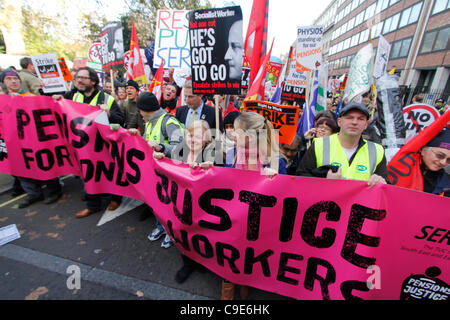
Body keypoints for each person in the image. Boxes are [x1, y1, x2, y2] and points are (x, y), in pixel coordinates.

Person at [221, 111, 287, 300]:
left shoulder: (276, 160)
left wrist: (274, 182)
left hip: (259, 223)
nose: (232, 134)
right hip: (234, 216)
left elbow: (284, 200)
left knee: (248, 258)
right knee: (230, 257)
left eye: (237, 131)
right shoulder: (232, 154)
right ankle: (227, 293)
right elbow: (226, 182)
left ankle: (244, 289)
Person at [54, 67, 124, 218]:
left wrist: (108, 114)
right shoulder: (73, 96)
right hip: (84, 146)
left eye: (83, 78)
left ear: (93, 81)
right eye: (77, 77)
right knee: (89, 173)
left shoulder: (107, 98)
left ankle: (115, 198)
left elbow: (120, 121)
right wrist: (53, 98)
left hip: (103, 146)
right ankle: (93, 205)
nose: (79, 80)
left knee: (109, 172)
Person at [155, 120, 215, 283]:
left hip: (203, 207)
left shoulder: (213, 155)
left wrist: (212, 169)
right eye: (189, 134)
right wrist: (160, 151)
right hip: (181, 205)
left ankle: (202, 261)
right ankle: (187, 263)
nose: (192, 139)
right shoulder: (181, 150)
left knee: (202, 234)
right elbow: (168, 150)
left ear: (206, 140)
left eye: (198, 136)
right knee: (184, 233)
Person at [129, 92, 184, 248]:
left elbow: (181, 149)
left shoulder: (169, 122)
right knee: (157, 203)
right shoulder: (150, 122)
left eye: (139, 110)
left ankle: (171, 233)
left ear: (144, 109)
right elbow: (147, 143)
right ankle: (161, 227)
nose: (139, 113)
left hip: (169, 174)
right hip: (154, 172)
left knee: (169, 205)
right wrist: (136, 136)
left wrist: (161, 148)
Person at [1, 69, 63, 207]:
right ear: (3, 82)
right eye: (9, 79)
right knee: (21, 168)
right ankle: (33, 194)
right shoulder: (2, 101)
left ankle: (54, 190)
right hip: (14, 143)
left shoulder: (31, 96)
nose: (13, 81)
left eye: (15, 78)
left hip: (36, 140)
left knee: (45, 163)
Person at [296, 102, 388, 188]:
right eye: (349, 118)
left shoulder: (377, 151)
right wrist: (324, 180)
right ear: (339, 122)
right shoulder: (319, 145)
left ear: (365, 125)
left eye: (360, 119)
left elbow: (385, 188)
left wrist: (381, 182)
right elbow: (300, 178)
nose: (354, 122)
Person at [418, 129, 450, 197]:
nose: (443, 162)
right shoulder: (403, 169)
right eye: (440, 156)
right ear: (424, 150)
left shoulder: (446, 182)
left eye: (449, 160)